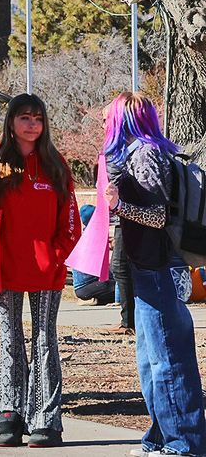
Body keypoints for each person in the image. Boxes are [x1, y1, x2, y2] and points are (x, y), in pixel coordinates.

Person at [0, 95, 80, 448]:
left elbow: (71, 219)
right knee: (10, 340)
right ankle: (9, 415)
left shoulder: (55, 164)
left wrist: (56, 256)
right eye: (25, 117)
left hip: (45, 271)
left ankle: (46, 420)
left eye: (38, 118)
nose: (32, 124)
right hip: (3, 268)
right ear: (11, 122)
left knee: (44, 341)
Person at [101, 91, 206, 457]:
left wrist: (119, 205)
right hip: (151, 267)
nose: (104, 123)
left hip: (160, 268)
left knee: (168, 360)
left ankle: (184, 444)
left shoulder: (146, 154)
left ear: (125, 120)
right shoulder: (141, 153)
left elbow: (157, 217)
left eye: (108, 118)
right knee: (152, 360)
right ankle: (161, 438)